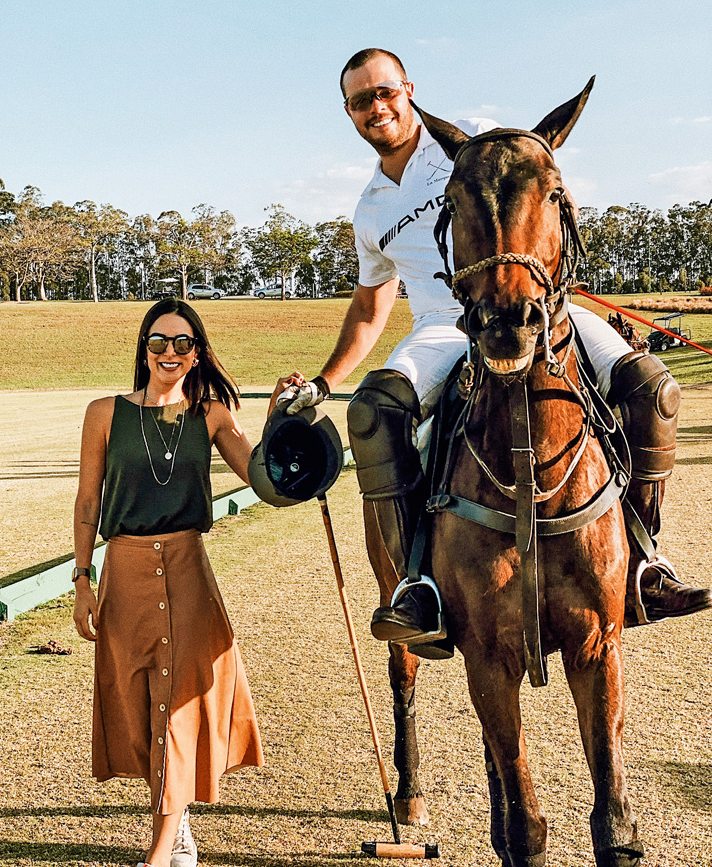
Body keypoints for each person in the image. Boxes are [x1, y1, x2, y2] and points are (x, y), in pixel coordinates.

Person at [277, 47, 710, 655]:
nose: (377, 107)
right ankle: (416, 584)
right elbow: (373, 304)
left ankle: (643, 562)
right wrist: (325, 381)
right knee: (374, 412)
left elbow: (541, 188)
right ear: (347, 113)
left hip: (535, 305)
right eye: (360, 100)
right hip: (442, 326)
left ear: (408, 90)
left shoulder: (471, 148)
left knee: (653, 388)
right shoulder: (370, 207)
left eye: (386, 92)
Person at [73, 298, 266, 867]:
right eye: (159, 342)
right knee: (138, 705)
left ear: (198, 350)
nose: (170, 355)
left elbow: (262, 475)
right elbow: (86, 499)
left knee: (179, 706)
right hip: (124, 573)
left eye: (183, 344)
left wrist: (293, 421)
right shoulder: (104, 413)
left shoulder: (212, 414)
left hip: (188, 570)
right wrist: (82, 578)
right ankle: (176, 815)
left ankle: (154, 862)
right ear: (143, 345)